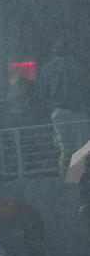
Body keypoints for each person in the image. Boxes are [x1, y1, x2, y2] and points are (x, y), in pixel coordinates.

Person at [38, 42, 90, 174]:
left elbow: (43, 94)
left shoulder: (47, 69)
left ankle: (67, 183)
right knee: (81, 147)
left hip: (58, 112)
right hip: (79, 111)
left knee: (65, 148)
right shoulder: (79, 66)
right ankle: (76, 179)